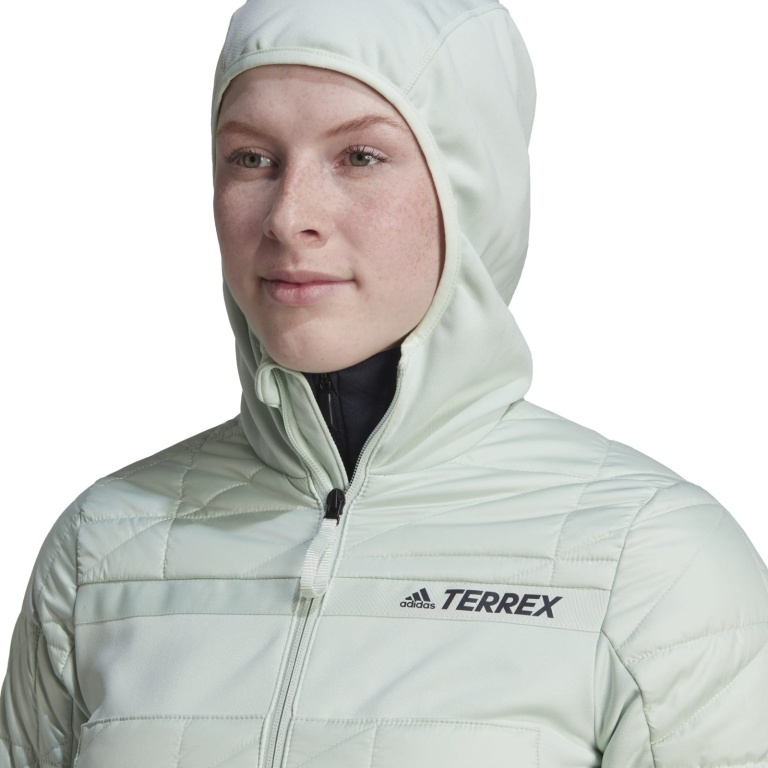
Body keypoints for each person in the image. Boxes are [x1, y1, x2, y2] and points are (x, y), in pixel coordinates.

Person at [2, 1, 767, 766]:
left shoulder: (649, 563)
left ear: (472, 187)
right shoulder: (102, 548)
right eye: (251, 158)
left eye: (360, 157)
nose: (289, 217)